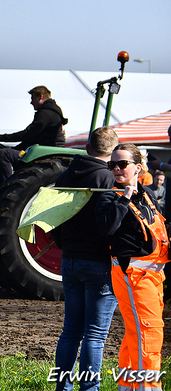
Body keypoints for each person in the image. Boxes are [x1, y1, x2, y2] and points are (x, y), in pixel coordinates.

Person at [96, 143, 168, 391]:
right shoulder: (109, 196)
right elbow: (106, 228)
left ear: (138, 167)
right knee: (149, 335)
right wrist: (125, 196)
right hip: (133, 277)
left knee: (135, 335)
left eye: (122, 164)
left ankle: (127, 387)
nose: (116, 169)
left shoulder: (148, 194)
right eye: (112, 165)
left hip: (154, 278)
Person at [51, 126, 119, 391]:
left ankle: (62, 386)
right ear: (113, 151)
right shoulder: (109, 179)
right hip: (99, 261)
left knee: (70, 332)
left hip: (70, 259)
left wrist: (64, 243)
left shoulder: (66, 175)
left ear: (88, 147)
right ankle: (89, 389)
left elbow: (54, 217)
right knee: (95, 335)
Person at [0, 85, 68, 192]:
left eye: (32, 98)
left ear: (40, 97)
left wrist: (0, 137)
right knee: (5, 153)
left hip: (42, 155)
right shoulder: (51, 113)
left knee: (4, 154)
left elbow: (27, 134)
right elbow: (30, 139)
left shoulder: (46, 114)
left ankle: (5, 190)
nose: (31, 102)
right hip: (41, 151)